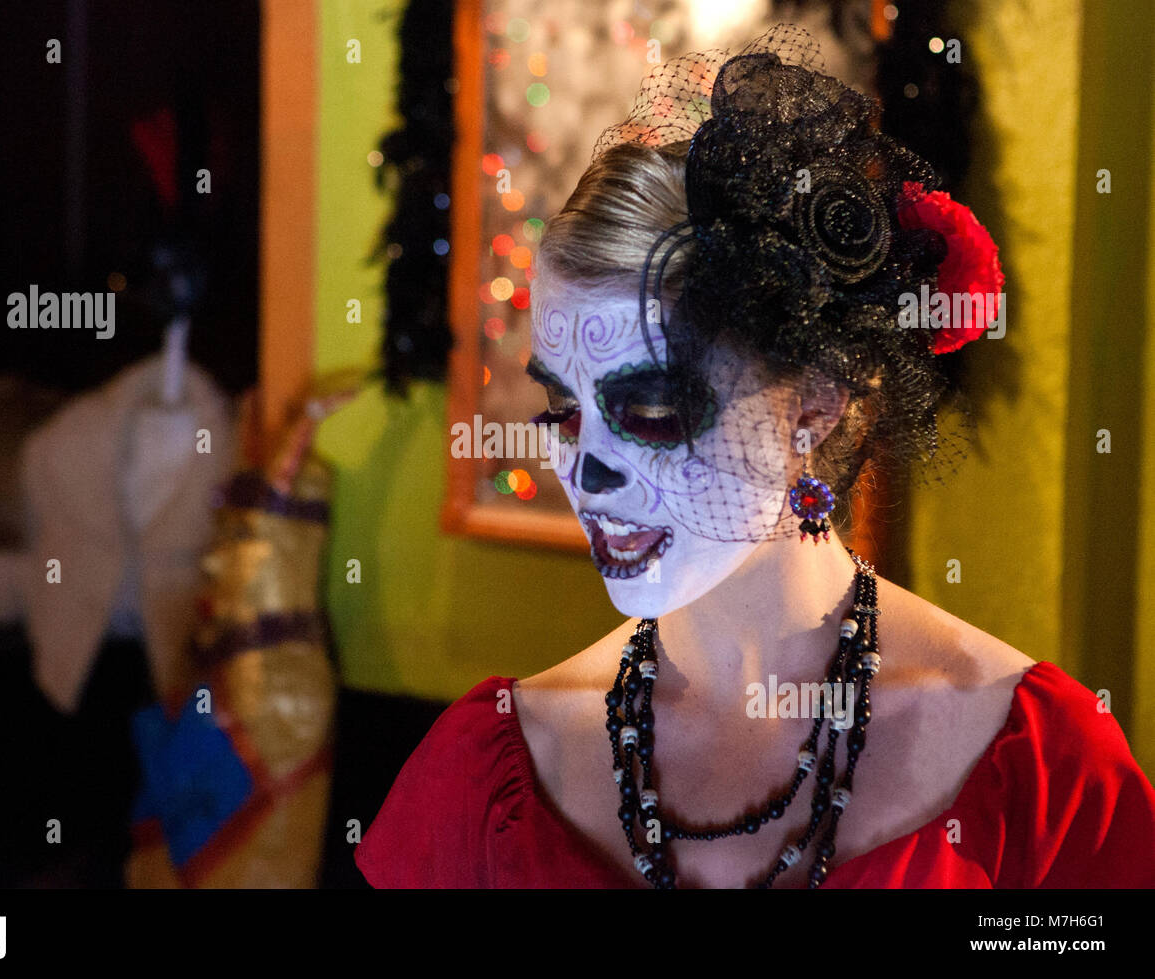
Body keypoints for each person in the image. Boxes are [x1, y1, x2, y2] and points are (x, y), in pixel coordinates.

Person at [354, 24, 1155, 888]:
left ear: (815, 399)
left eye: (651, 408)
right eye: (563, 409)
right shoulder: (491, 777)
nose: (584, 475)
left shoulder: (1042, 774)